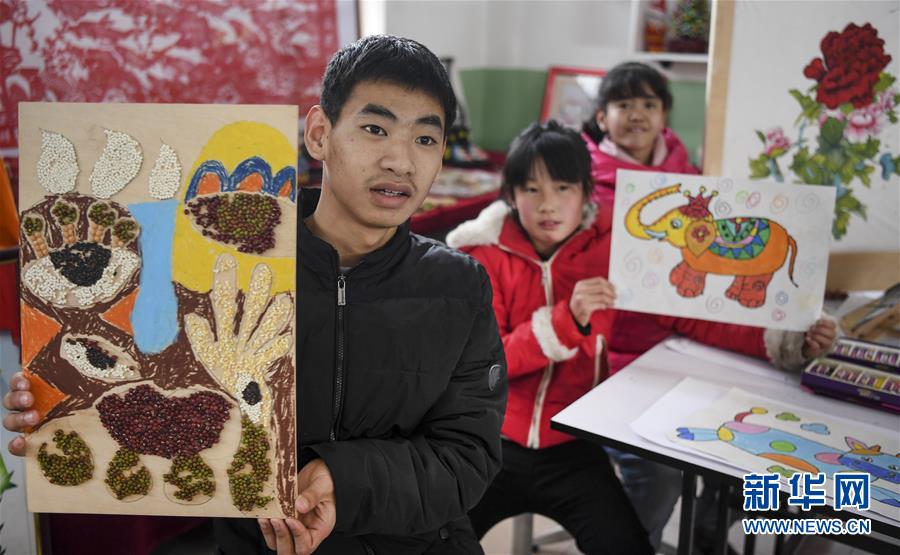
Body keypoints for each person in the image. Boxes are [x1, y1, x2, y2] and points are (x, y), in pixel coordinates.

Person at [4, 35, 508, 555]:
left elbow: (468, 457)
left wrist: (339, 479)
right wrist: (53, 409)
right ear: (319, 134)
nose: (400, 161)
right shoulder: (224, 268)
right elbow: (146, 383)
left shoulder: (458, 286)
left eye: (424, 138)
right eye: (375, 129)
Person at [580, 61, 837, 551]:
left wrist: (790, 335)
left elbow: (706, 302)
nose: (637, 114)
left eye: (649, 103)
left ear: (665, 115)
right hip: (614, 359)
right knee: (657, 477)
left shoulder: (697, 182)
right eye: (624, 104)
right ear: (601, 117)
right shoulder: (580, 185)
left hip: (690, 351)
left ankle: (705, 531)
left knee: (756, 447)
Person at [447, 120, 654, 555]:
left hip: (574, 448)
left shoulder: (617, 251)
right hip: (490, 443)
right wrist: (566, 320)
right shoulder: (482, 257)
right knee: (430, 542)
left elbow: (693, 315)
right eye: (531, 189)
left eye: (563, 188)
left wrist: (783, 339)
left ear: (586, 193)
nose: (548, 205)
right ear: (510, 195)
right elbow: (489, 362)